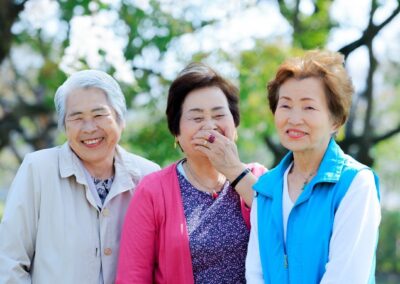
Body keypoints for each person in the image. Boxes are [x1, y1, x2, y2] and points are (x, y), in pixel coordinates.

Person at [0, 70, 160, 283]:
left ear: (120, 119)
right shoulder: (38, 169)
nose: (89, 128)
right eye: (76, 118)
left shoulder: (148, 176)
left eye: (99, 115)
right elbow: (9, 261)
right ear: (64, 126)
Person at [116, 62, 266, 283]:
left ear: (235, 125)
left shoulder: (260, 178)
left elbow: (286, 232)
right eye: (196, 118)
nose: (209, 126)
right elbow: (133, 276)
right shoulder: (153, 190)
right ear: (176, 132)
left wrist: (234, 170)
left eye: (218, 115)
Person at [246, 50, 381, 283]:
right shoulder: (266, 188)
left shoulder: (355, 183)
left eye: (308, 107)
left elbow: (346, 277)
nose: (294, 118)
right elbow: (256, 274)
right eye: (285, 105)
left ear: (336, 120)